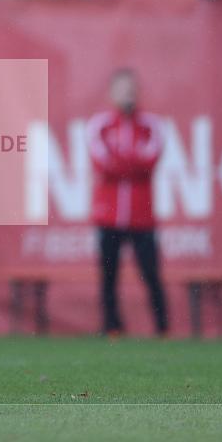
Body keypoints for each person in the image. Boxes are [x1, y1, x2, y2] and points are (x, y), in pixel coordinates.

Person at [86, 69, 168, 337]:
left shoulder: (151, 126)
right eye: (122, 89)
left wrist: (121, 161)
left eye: (131, 89)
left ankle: (163, 329)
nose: (127, 94)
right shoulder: (99, 126)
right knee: (109, 275)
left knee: (151, 273)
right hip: (108, 217)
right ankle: (112, 327)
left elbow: (150, 161)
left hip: (142, 217)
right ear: (112, 93)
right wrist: (130, 163)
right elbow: (102, 163)